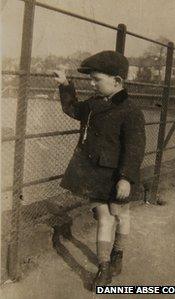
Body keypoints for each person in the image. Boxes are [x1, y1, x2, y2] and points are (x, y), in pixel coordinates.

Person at [54, 50, 146, 289]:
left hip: (117, 176)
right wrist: (65, 84)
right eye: (91, 80)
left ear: (117, 81)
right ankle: (104, 268)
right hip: (96, 174)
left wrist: (126, 178)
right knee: (104, 218)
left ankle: (118, 254)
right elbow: (73, 109)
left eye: (97, 80)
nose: (93, 84)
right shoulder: (94, 104)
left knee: (121, 214)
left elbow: (134, 149)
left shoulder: (131, 111)